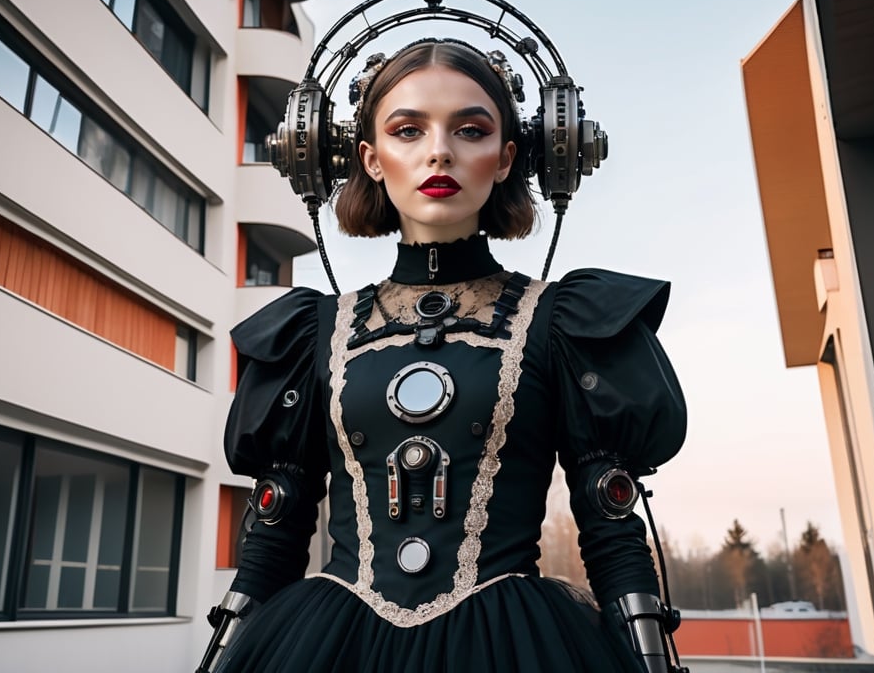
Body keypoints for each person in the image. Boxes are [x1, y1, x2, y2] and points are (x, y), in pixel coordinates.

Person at [202, 39, 687, 672]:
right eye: (408, 130)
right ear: (371, 160)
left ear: (507, 157)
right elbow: (275, 537)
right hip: (332, 642)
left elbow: (610, 527)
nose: (440, 151)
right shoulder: (312, 332)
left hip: (512, 644)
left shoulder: (563, 323)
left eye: (470, 129)